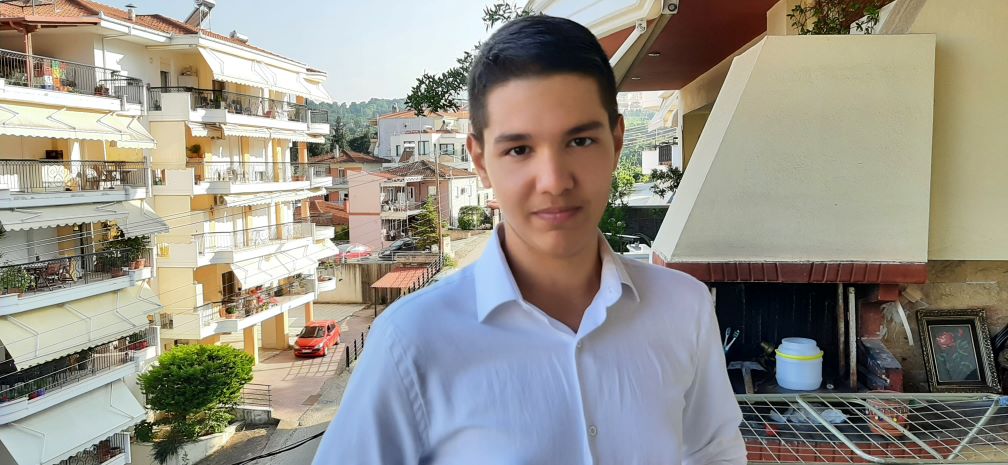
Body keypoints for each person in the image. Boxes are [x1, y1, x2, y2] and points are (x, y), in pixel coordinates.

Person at [313, 15, 745, 465]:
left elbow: (714, 452)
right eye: (519, 149)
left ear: (617, 142)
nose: (554, 181)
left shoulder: (684, 308)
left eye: (580, 141)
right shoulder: (411, 341)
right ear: (481, 160)